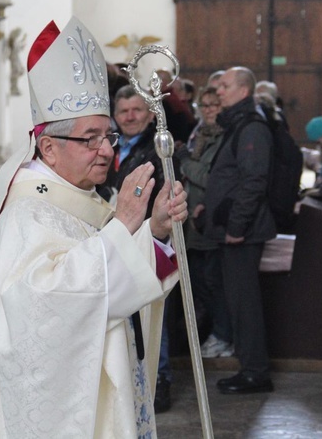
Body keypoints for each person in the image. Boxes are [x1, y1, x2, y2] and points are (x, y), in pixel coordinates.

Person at [0, 17, 187, 438]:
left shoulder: (85, 198)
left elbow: (111, 281)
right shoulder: (29, 212)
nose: (105, 151)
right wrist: (126, 224)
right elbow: (42, 308)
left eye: (108, 137)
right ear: (49, 149)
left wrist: (153, 229)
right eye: (90, 139)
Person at [98, 83, 179, 413]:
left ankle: (158, 380)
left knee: (149, 308)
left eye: (137, 111)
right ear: (115, 117)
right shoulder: (107, 148)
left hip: (145, 236)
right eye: (123, 112)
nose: (130, 117)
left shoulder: (160, 150)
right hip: (109, 237)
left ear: (149, 115)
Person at [200, 66, 276, 394]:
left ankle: (255, 372)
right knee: (235, 299)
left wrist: (236, 225)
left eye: (225, 86)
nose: (219, 91)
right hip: (232, 227)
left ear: (243, 91)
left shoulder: (252, 128)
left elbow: (253, 181)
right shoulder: (238, 125)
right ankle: (250, 367)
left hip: (243, 232)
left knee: (244, 303)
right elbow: (230, 174)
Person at [175, 87, 234, 359]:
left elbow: (209, 177)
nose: (209, 110)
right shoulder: (200, 135)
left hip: (209, 219)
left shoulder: (223, 139)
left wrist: (184, 160)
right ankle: (214, 332)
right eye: (205, 105)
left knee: (213, 282)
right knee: (199, 281)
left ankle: (223, 336)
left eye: (215, 105)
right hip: (193, 221)